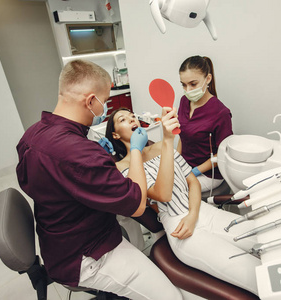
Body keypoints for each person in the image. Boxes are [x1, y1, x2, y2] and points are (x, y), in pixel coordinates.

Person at [16, 59, 182, 300]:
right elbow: (136, 205)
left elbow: (53, 178)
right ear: (91, 100)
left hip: (56, 241)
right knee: (171, 297)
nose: (105, 107)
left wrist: (99, 160)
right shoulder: (80, 153)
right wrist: (135, 150)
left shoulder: (31, 135)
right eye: (105, 101)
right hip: (87, 254)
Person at [106, 107, 261, 295]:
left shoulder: (162, 146)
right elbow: (163, 194)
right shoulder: (122, 168)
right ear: (115, 134)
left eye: (132, 116)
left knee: (263, 239)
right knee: (251, 271)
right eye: (123, 119)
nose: (132, 120)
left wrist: (193, 214)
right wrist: (165, 142)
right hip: (180, 229)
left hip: (202, 212)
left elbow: (192, 182)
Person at [177, 55, 233, 192]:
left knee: (173, 191)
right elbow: (182, 135)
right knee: (159, 182)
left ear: (207, 79)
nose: (188, 90)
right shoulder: (184, 101)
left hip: (209, 174)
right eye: (184, 85)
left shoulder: (221, 113)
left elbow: (222, 153)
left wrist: (195, 171)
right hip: (185, 167)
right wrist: (175, 161)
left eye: (193, 84)